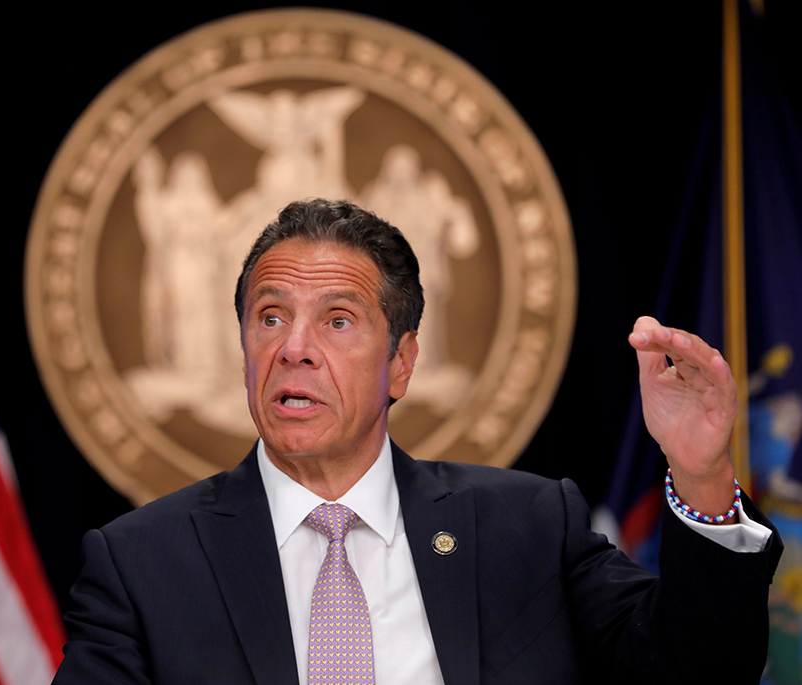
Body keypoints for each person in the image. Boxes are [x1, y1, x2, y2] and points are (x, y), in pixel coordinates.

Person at [52, 199, 782, 684]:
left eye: (338, 321)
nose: (293, 348)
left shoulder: (528, 527)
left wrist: (701, 472)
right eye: (269, 317)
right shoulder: (140, 565)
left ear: (401, 361)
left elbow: (699, 670)